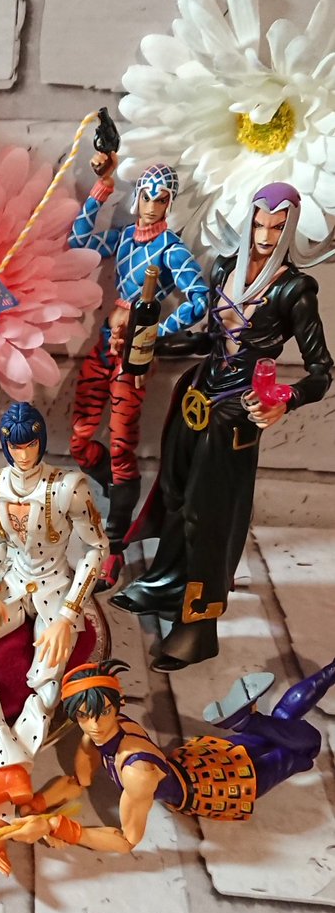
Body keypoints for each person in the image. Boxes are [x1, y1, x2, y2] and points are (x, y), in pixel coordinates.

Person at [110, 184, 333, 670]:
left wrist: (285, 401)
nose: (265, 236)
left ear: (290, 230)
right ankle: (166, 584)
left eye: (277, 228)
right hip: (196, 396)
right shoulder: (223, 269)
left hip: (236, 415)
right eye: (260, 224)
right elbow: (207, 341)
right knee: (174, 495)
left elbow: (322, 372)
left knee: (208, 516)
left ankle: (198, 624)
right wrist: (149, 347)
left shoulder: (294, 290)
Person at [0, 401, 108, 849]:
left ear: (41, 442)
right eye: (15, 446)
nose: (23, 454)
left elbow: (96, 550)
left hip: (56, 589)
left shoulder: (68, 487)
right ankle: (7, 761)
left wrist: (68, 616)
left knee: (45, 682)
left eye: (30, 444)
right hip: (11, 586)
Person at [7, 657, 335, 855]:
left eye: (101, 713)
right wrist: (37, 805)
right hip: (200, 759)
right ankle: (320, 677)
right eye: (82, 715)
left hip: (217, 787)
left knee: (306, 748)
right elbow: (79, 781)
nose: (93, 724)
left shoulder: (137, 773)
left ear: (118, 705)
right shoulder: (107, 728)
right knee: (284, 721)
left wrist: (60, 827)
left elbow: (126, 840)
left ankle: (248, 721)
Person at [67, 156, 208, 590]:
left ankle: (115, 543)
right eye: (146, 196)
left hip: (134, 357)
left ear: (169, 203)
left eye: (159, 199)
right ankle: (115, 494)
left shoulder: (170, 248)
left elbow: (199, 299)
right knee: (80, 440)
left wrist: (153, 333)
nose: (150, 205)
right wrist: (101, 189)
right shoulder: (127, 237)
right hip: (105, 344)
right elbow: (78, 244)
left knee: (122, 444)